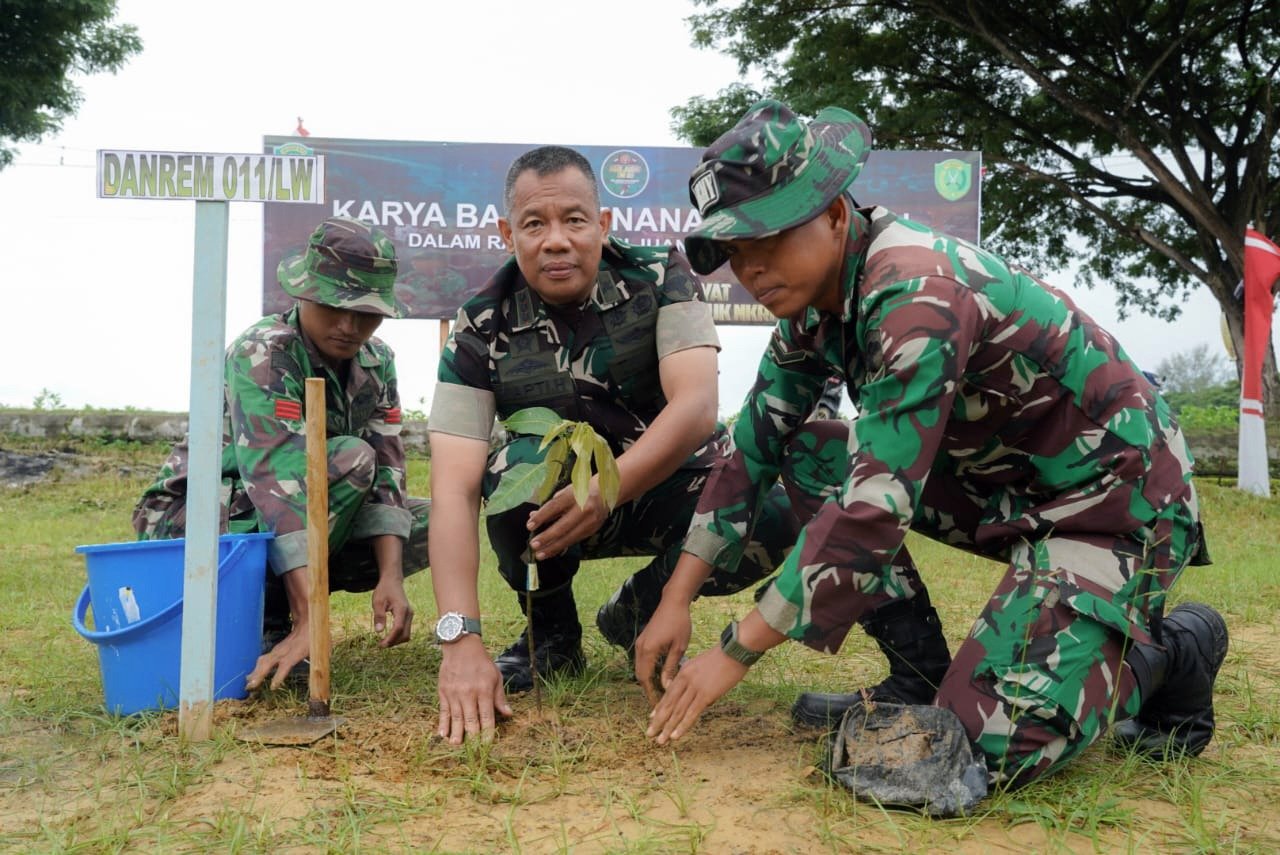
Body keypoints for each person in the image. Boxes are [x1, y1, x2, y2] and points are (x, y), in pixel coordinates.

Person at [637, 100, 1226, 795]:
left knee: (962, 756)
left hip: (1120, 504)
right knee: (811, 451)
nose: (753, 269)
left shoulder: (914, 289)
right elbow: (751, 453)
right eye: (736, 253)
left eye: (768, 239)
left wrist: (732, 650)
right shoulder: (812, 314)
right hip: (1008, 490)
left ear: (832, 215)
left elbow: (872, 512)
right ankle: (912, 677)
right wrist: (676, 597)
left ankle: (1174, 650)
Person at [427, 145, 794, 745]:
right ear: (506, 233)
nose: (555, 240)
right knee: (511, 472)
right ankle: (551, 637)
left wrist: (609, 487)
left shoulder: (661, 277)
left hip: (667, 487)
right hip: (556, 511)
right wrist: (460, 639)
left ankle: (640, 607)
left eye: (574, 220)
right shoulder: (479, 325)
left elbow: (697, 408)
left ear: (602, 225)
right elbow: (452, 485)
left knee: (769, 508)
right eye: (534, 224)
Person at [132, 216, 430, 691]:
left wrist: (392, 576)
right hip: (195, 519)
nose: (350, 326)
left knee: (429, 522)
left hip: (285, 516)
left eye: (367, 312)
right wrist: (311, 618)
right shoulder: (263, 353)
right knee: (350, 459)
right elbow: (279, 479)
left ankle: (276, 611)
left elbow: (390, 468)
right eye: (334, 306)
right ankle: (275, 620)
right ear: (304, 293)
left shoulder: (379, 362)